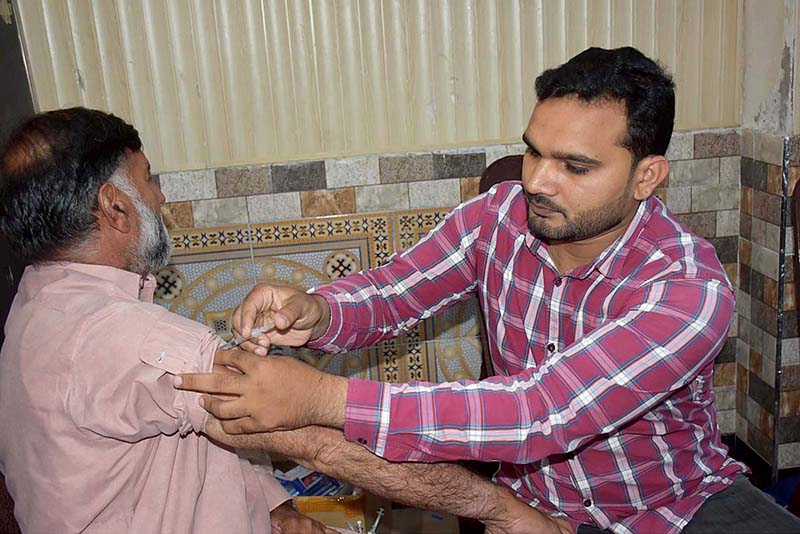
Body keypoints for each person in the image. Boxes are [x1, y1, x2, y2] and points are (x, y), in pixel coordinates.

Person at [177, 47, 800, 533]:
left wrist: (321, 397)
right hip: (534, 506)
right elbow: (396, 292)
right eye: (533, 153)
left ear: (647, 176)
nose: (538, 181)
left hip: (674, 507)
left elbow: (539, 412)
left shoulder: (686, 288)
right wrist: (316, 310)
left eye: (574, 166)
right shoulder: (497, 217)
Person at [0, 107, 334, 533]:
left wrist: (275, 510)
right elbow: (299, 424)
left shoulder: (35, 309)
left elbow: (201, 434)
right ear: (115, 206)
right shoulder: (120, 333)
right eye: (147, 178)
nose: (160, 196)